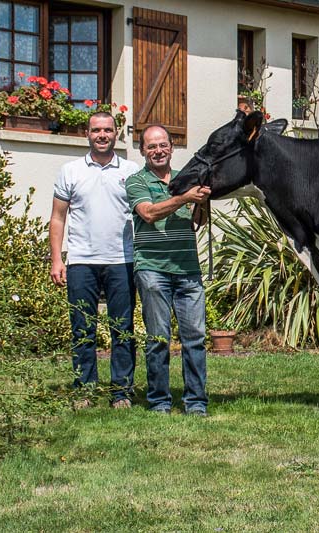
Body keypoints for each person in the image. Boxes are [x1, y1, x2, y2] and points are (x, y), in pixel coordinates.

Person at [50, 112, 140, 409]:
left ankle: (121, 392)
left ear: (117, 134)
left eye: (108, 130)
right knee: (81, 328)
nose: (102, 135)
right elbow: (57, 218)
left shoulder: (131, 170)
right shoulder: (70, 171)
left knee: (122, 328)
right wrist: (56, 260)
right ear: (86, 134)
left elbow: (145, 215)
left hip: (121, 261)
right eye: (96, 130)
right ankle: (84, 390)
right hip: (80, 261)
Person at [126, 125, 211, 416]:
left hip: (188, 269)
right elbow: (148, 213)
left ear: (172, 148)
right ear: (143, 151)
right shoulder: (136, 181)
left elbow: (198, 222)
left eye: (163, 145)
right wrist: (186, 198)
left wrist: (202, 202)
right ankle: (160, 401)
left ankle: (196, 402)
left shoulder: (184, 180)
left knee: (195, 340)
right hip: (153, 269)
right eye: (151, 146)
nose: (158, 151)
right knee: (158, 339)